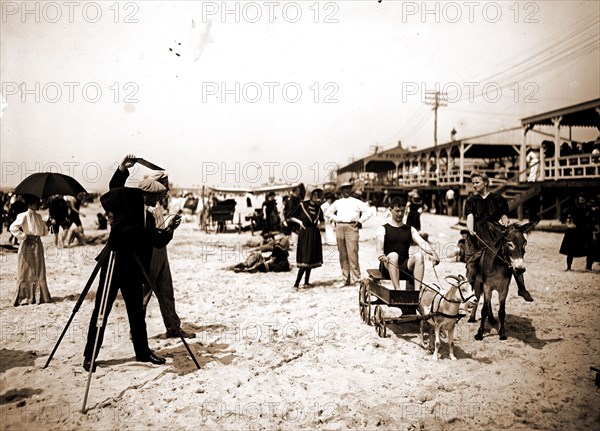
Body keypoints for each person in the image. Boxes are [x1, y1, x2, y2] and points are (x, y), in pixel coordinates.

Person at [83, 163, 181, 372]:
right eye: (156, 197)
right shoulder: (126, 203)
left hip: (133, 266)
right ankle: (90, 356)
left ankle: (143, 352)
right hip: (113, 262)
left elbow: (156, 239)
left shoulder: (148, 215)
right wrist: (121, 169)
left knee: (136, 312)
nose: (158, 201)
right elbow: (114, 190)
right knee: (102, 310)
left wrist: (170, 230)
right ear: (147, 194)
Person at [109, 155, 195, 339]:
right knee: (144, 292)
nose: (168, 189)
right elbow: (115, 190)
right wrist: (123, 168)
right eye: (165, 185)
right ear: (154, 187)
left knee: (166, 290)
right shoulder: (141, 203)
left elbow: (157, 229)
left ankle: (173, 327)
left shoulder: (155, 204)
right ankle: (136, 330)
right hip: (149, 251)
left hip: (161, 248)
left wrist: (169, 225)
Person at [465, 171, 534, 302]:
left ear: (485, 183)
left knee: (510, 257)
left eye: (477, 182)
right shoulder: (471, 201)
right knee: (471, 263)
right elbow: (470, 217)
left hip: (495, 232)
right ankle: (471, 288)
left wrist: (506, 222)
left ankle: (522, 288)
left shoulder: (498, 199)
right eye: (473, 183)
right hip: (478, 233)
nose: (474, 185)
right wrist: (470, 228)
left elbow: (503, 216)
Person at [376, 197, 440, 290]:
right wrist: (381, 255)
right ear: (390, 210)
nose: (400, 214)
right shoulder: (382, 229)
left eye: (402, 211)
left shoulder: (410, 229)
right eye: (397, 211)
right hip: (388, 265)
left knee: (419, 256)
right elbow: (379, 246)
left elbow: (422, 242)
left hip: (404, 267)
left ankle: (417, 292)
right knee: (394, 255)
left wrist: (433, 253)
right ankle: (397, 290)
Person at [325, 182, 375, 287]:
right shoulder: (337, 202)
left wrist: (360, 221)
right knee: (342, 254)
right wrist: (336, 219)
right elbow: (328, 212)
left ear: (351, 190)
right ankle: (345, 279)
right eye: (344, 188)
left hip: (352, 227)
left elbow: (369, 211)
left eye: (348, 188)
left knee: (353, 253)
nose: (346, 191)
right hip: (339, 227)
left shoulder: (356, 202)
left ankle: (357, 279)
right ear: (341, 190)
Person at [9, 194, 51, 306]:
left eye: (38, 202)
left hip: (38, 245)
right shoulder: (23, 216)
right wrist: (24, 236)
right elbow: (12, 227)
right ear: (29, 204)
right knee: (26, 270)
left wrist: (47, 225)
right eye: (36, 202)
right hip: (27, 245)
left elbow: (43, 232)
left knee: (39, 269)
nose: (38, 204)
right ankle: (25, 296)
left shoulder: (38, 216)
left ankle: (40, 296)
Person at [288, 187, 324, 288]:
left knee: (311, 259)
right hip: (305, 233)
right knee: (305, 259)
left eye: (317, 194)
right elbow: (289, 216)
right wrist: (300, 222)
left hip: (314, 234)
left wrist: (320, 226)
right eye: (314, 194)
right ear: (310, 195)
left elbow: (322, 220)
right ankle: (296, 284)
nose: (316, 196)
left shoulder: (318, 208)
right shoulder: (302, 205)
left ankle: (306, 282)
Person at [559, 194, 592, 271]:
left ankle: (588, 267)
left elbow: (592, 220)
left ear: (585, 200)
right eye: (579, 200)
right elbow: (565, 215)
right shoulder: (574, 208)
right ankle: (569, 267)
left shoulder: (588, 209)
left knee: (590, 249)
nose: (581, 201)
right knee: (570, 249)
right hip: (576, 230)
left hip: (586, 230)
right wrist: (568, 224)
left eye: (582, 200)